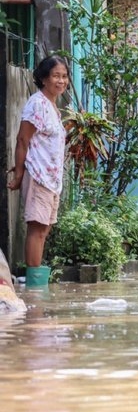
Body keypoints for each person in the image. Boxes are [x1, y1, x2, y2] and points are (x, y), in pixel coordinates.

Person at [7, 55, 69, 268]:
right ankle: (34, 287)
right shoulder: (37, 104)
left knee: (44, 229)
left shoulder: (52, 106)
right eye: (55, 76)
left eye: (64, 76)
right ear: (44, 79)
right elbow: (23, 139)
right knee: (37, 228)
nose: (61, 81)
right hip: (39, 176)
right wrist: (18, 174)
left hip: (52, 180)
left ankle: (37, 285)